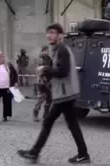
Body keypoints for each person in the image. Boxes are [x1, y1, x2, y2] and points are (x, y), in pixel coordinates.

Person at [17, 23, 90, 164]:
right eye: (48, 32)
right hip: (65, 94)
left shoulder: (62, 49)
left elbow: (63, 71)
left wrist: (45, 68)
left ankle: (34, 152)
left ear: (60, 35)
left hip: (64, 95)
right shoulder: (58, 50)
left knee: (49, 122)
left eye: (52, 32)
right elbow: (59, 70)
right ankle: (83, 154)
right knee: (70, 124)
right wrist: (48, 73)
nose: (49, 35)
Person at [32, 46, 52, 122]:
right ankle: (35, 113)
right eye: (46, 50)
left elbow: (51, 68)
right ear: (42, 51)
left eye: (48, 50)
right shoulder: (40, 59)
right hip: (41, 81)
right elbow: (39, 70)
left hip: (49, 81)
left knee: (49, 99)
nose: (47, 51)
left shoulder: (49, 59)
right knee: (41, 98)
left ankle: (46, 115)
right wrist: (44, 76)